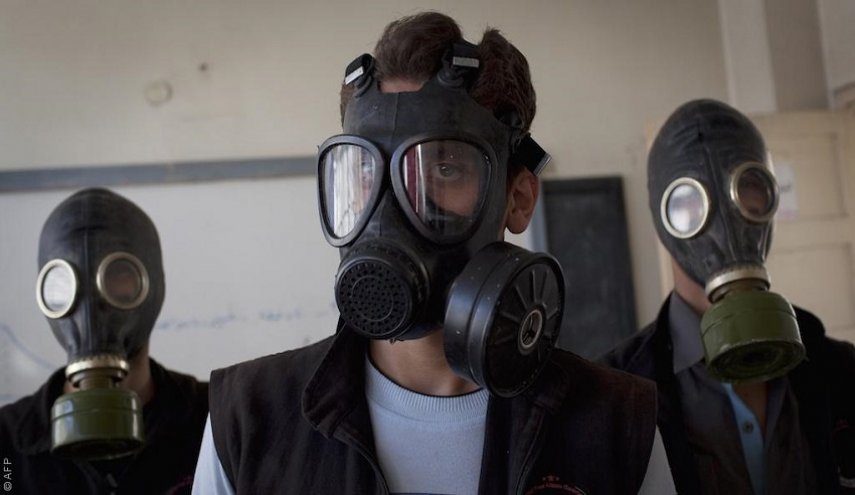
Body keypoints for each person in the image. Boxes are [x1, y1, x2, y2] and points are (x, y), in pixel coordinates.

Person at [193, 12, 657, 495]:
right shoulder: (246, 421)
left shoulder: (619, 425)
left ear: (518, 200)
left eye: (445, 169)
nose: (389, 207)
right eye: (365, 171)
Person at [602, 99, 855, 494]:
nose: (728, 220)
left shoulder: (841, 371)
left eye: (748, 187)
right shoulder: (614, 399)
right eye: (690, 200)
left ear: (770, 199)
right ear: (663, 219)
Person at [0, 187, 209, 494]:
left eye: (119, 274)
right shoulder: (6, 444)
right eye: (66, 282)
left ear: (154, 287)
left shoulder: (216, 422)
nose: (91, 304)